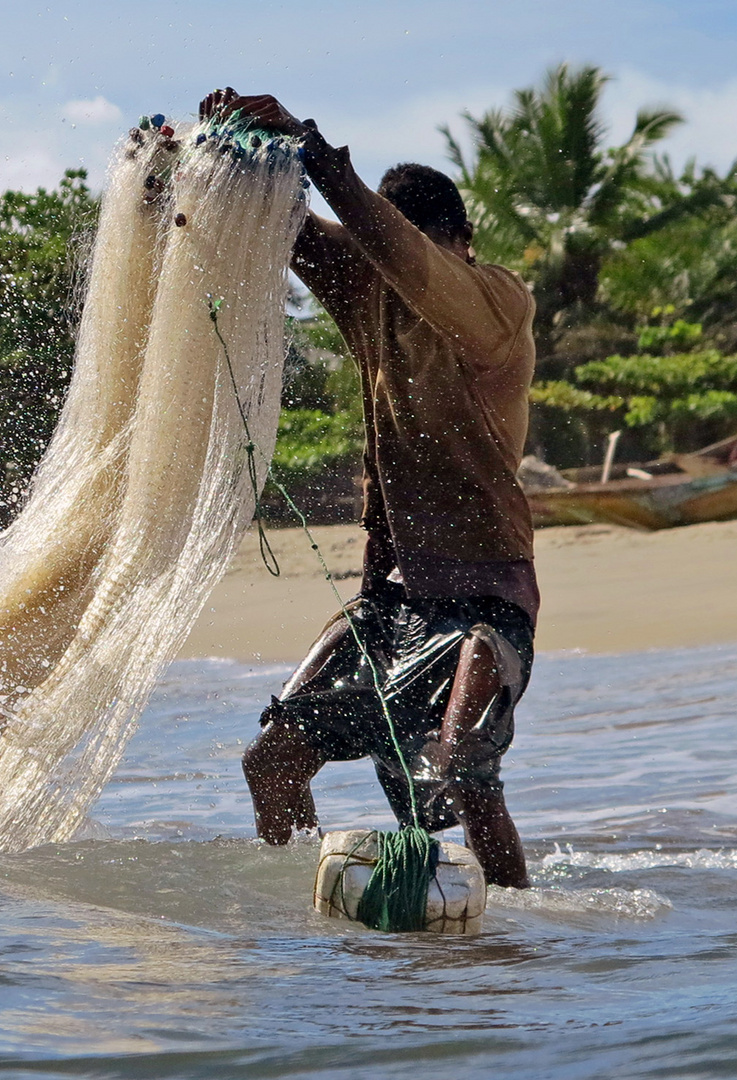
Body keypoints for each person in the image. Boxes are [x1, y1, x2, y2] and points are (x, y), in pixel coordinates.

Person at [199, 89, 538, 888]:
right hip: (391, 598)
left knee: (459, 770)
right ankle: (314, 904)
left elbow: (414, 264)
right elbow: (286, 225)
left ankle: (518, 932)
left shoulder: (498, 305)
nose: (401, 268)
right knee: (271, 764)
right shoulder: (369, 294)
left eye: (416, 249)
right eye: (387, 252)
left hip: (485, 595)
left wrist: (315, 152)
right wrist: (213, 165)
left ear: (464, 244)